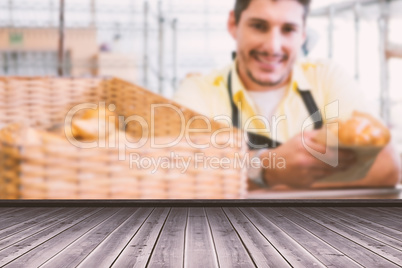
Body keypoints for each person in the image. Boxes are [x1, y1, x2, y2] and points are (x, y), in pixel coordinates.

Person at [173, 0, 401, 189]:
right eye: (259, 26)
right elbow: (174, 172)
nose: (273, 46)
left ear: (302, 34)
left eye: (288, 29)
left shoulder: (326, 77)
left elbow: (387, 167)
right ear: (233, 24)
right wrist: (267, 168)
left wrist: (243, 177)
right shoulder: (199, 90)